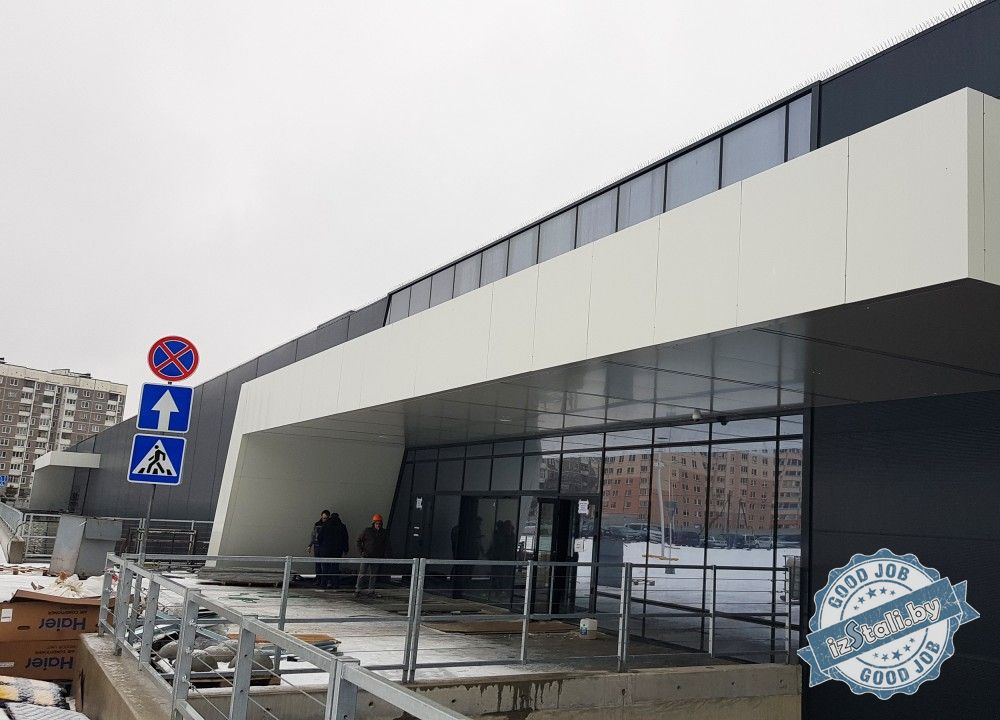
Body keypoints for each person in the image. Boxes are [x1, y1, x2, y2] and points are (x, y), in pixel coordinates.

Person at [355, 513, 391, 597]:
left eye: (379, 524)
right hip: (366, 556)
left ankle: (371, 591)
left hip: (376, 557)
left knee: (373, 575)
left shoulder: (384, 532)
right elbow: (358, 541)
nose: (378, 525)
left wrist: (387, 555)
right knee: (362, 573)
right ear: (374, 523)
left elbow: (387, 544)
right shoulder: (367, 531)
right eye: (377, 524)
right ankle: (358, 590)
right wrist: (361, 552)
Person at [317, 512, 349, 588]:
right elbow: (345, 538)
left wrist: (321, 547)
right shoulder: (342, 526)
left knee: (325, 568)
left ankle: (323, 583)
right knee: (335, 567)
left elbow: (319, 537)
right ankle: (335, 584)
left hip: (325, 550)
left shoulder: (325, 525)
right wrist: (345, 549)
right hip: (337, 550)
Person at [308, 511, 330, 586]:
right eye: (324, 518)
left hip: (323, 547)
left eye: (326, 518)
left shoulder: (327, 525)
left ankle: (323, 581)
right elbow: (313, 535)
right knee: (318, 564)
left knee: (324, 565)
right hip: (318, 546)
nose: (324, 519)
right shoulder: (317, 524)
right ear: (321, 516)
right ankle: (319, 580)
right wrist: (310, 545)